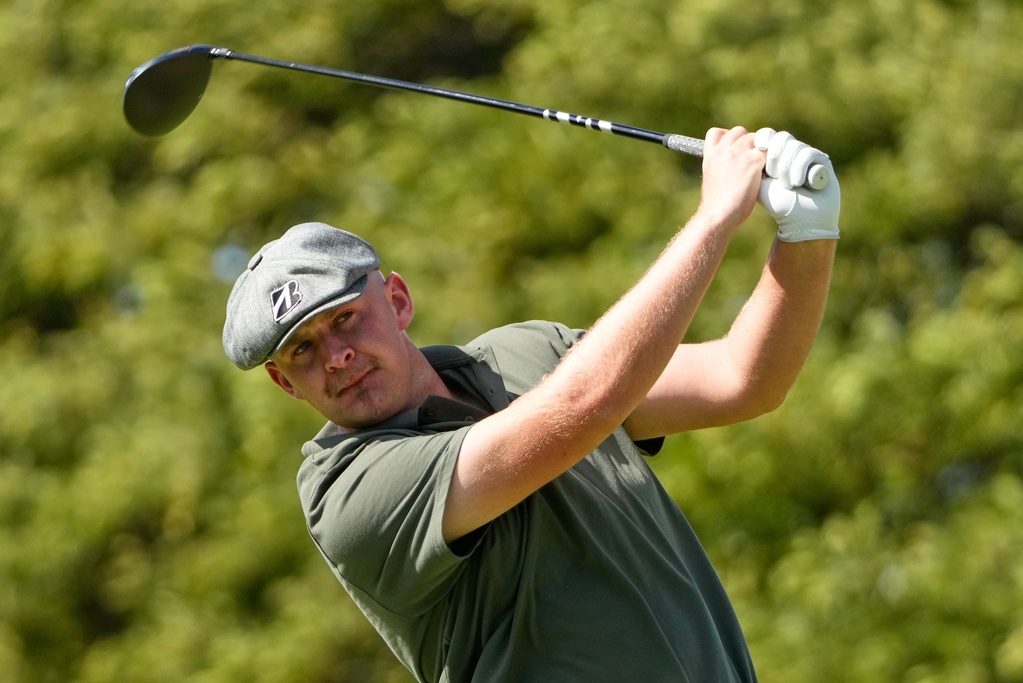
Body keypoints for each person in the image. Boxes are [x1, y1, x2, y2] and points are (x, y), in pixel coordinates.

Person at [222, 126, 840, 682]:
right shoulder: (348, 492)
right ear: (285, 384)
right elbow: (582, 407)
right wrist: (713, 219)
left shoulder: (527, 351)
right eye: (303, 350)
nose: (335, 356)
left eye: (346, 319)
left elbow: (740, 378)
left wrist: (807, 235)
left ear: (399, 301)